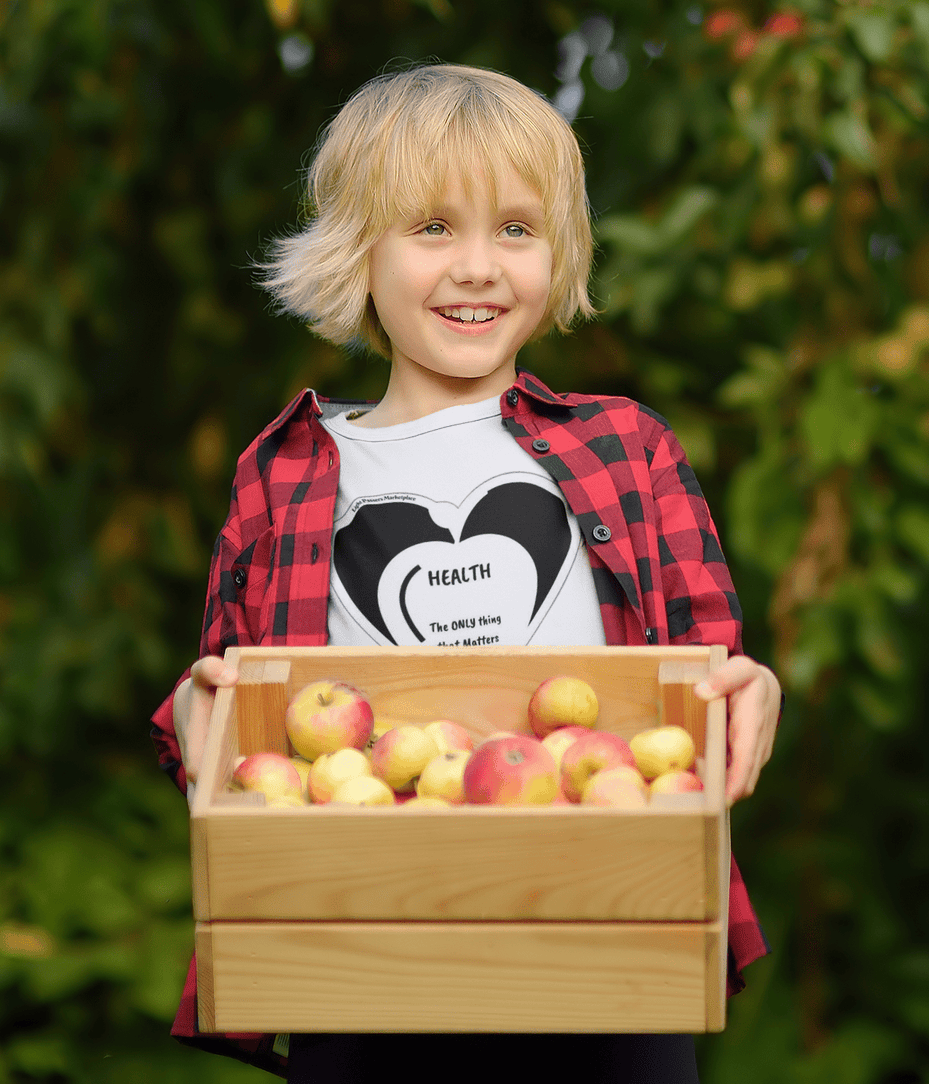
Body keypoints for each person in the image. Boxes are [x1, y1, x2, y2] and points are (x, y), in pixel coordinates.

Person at [148, 63, 781, 1082]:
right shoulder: (286, 471)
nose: (478, 267)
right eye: (433, 227)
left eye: (516, 229)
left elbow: (706, 666)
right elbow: (234, 703)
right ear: (358, 249)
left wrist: (749, 688)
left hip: (605, 947)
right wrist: (194, 711)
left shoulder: (625, 446)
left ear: (558, 252)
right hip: (361, 954)